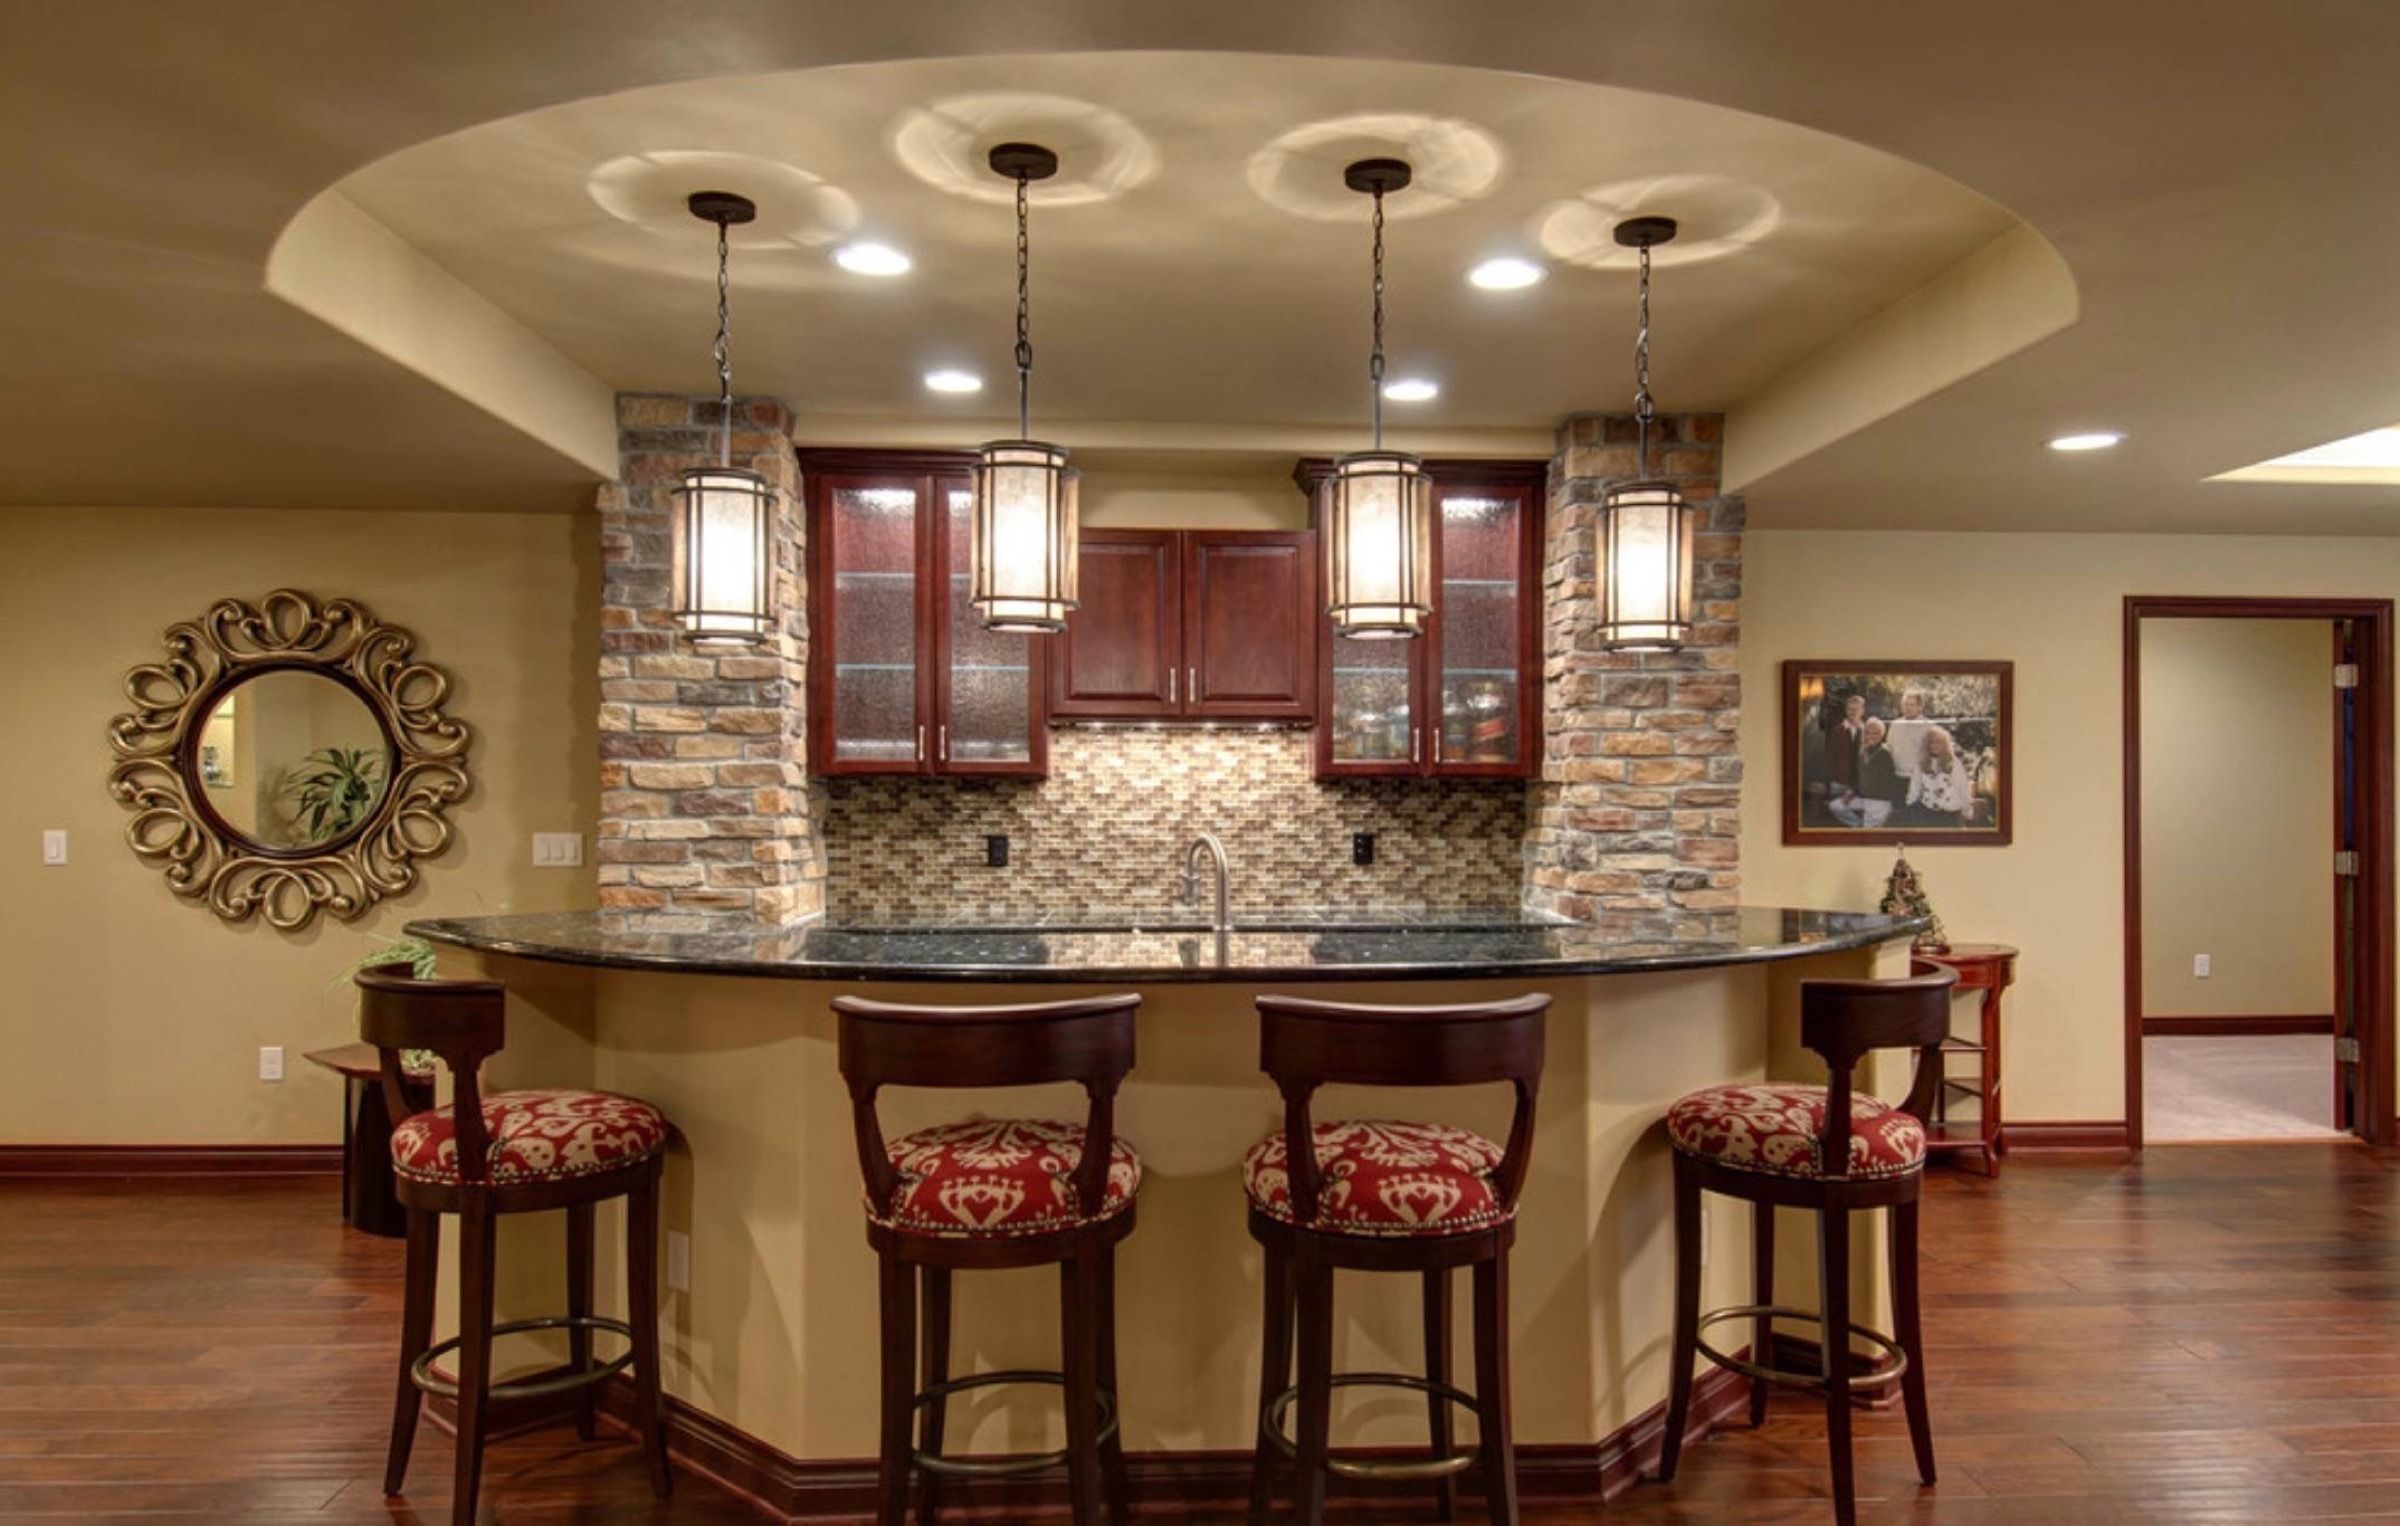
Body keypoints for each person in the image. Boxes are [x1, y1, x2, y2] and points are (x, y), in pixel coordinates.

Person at [1828, 717, 1906, 827]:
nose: (1870, 736)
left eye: (1875, 733)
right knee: (1836, 806)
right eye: (1867, 733)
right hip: (1864, 797)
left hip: (1879, 801)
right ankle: (1857, 825)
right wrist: (1852, 791)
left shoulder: (1885, 753)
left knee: (1869, 838)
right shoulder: (1863, 750)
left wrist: (1893, 804)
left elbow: (1890, 781)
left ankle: (1865, 828)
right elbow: (1860, 776)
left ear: (1882, 735)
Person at [1902, 725, 1975, 826]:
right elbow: (1915, 786)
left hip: (1950, 810)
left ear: (1945, 744)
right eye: (1931, 742)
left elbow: (1962, 787)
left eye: (1938, 742)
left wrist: (1967, 811)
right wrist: (1909, 804)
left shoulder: (1953, 762)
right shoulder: (1922, 763)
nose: (1934, 745)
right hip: (1928, 809)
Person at [1884, 688, 1933, 784]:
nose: (1908, 708)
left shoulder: (1929, 726)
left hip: (1920, 778)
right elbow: (1889, 749)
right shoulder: (1895, 725)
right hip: (1897, 777)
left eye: (1912, 705)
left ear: (1920, 707)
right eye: (1905, 704)